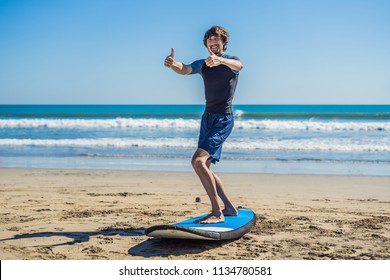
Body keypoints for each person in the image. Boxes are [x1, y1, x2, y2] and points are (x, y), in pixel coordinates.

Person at [164, 26, 243, 224]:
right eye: (209, 39)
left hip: (223, 120)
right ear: (206, 44)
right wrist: (173, 63)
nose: (213, 42)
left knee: (197, 162)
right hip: (207, 119)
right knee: (205, 166)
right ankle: (230, 207)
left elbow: (239, 66)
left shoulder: (230, 61)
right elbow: (185, 69)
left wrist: (221, 60)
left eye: (217, 39)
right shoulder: (203, 64)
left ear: (223, 43)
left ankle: (217, 212)